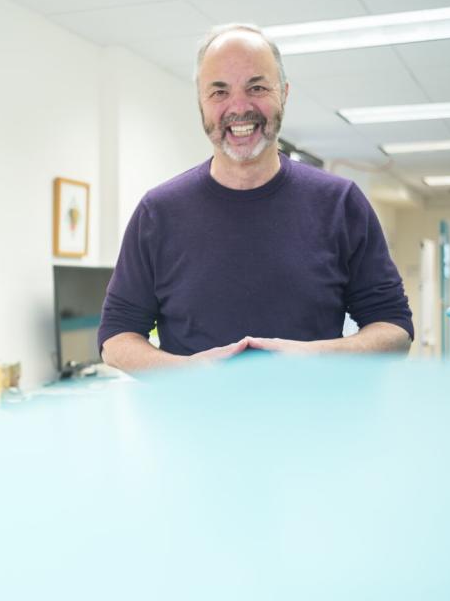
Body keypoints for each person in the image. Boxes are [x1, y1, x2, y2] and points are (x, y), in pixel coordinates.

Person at [97, 23, 413, 373]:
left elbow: (394, 327)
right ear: (201, 102)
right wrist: (184, 371)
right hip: (191, 424)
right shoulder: (158, 213)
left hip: (314, 422)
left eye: (257, 87)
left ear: (284, 93)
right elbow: (116, 337)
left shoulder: (340, 204)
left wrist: (318, 354)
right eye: (219, 92)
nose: (239, 107)